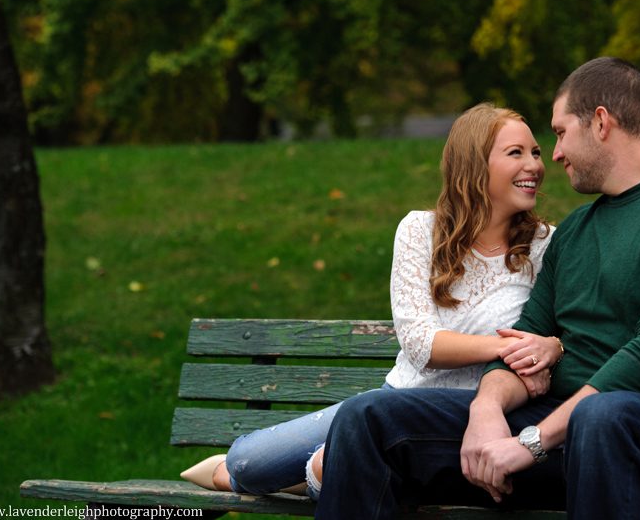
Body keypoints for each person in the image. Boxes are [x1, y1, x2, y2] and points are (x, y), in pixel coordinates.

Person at [314, 57, 640, 520]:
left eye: (561, 132)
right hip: (562, 434)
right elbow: (525, 334)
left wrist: (532, 442)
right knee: (369, 420)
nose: (554, 154)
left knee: (603, 416)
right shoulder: (575, 233)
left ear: (602, 123)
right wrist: (485, 412)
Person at [180, 102, 561, 498]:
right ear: (473, 165)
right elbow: (420, 344)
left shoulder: (546, 246)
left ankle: (325, 471)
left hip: (459, 421)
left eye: (535, 152)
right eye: (516, 153)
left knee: (330, 465)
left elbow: (555, 334)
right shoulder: (420, 231)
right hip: (392, 402)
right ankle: (267, 474)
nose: (534, 164)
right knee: (247, 463)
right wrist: (506, 345)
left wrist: (549, 346)